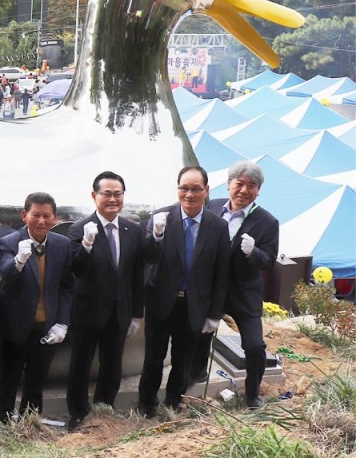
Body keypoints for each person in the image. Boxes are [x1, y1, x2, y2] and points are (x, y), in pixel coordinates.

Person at [137, 166, 230, 417]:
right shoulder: (161, 217)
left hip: (194, 303)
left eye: (195, 189)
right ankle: (146, 404)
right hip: (161, 300)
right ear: (178, 189)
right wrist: (156, 235)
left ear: (206, 190)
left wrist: (215, 314)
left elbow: (221, 273)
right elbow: (148, 257)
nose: (189, 194)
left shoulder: (218, 226)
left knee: (184, 358)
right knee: (154, 356)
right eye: (184, 188)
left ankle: (173, 401)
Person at [189, 161, 279, 410]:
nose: (244, 190)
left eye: (252, 186)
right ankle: (197, 373)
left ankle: (253, 393)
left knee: (254, 345)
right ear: (229, 184)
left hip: (244, 292)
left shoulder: (267, 221)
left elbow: (269, 260)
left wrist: (253, 252)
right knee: (200, 333)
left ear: (258, 190)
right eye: (239, 184)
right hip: (212, 288)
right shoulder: (212, 206)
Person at [66, 171, 145, 430]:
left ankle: (104, 409)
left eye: (117, 194)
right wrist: (87, 245)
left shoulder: (133, 230)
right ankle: (78, 412)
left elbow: (136, 274)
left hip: (119, 311)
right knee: (81, 364)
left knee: (112, 364)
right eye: (107, 194)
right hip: (87, 311)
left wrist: (136, 313)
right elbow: (76, 270)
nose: (113, 199)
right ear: (94, 196)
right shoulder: (79, 228)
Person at [0, 192, 73, 425]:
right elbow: (6, 275)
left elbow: (67, 287)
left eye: (47, 216)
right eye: (36, 215)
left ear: (54, 218)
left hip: (47, 328)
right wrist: (18, 261)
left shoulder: (62, 244)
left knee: (36, 381)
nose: (41, 221)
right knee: (7, 380)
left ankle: (31, 425)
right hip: (15, 326)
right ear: (24, 215)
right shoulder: (8, 242)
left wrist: (62, 322)